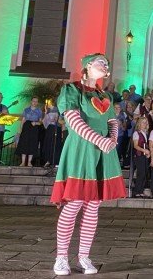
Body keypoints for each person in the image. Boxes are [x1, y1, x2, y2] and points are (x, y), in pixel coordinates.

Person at [50, 53, 126, 276]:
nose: (105, 64)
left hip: (102, 152)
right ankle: (61, 258)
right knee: (74, 203)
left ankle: (84, 255)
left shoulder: (106, 96)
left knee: (93, 205)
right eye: (100, 61)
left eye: (107, 63)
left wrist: (112, 139)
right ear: (87, 66)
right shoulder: (72, 90)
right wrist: (99, 140)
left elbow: (112, 121)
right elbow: (73, 119)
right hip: (82, 148)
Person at [16, 97, 44, 167]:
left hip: (34, 128)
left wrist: (36, 123)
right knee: (24, 144)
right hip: (26, 127)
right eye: (33, 101)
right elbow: (23, 121)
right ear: (31, 101)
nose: (35, 103)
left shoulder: (39, 111)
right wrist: (20, 130)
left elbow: (41, 122)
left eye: (36, 101)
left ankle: (29, 162)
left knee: (32, 144)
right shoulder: (26, 110)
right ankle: (22, 162)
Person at [131, 116, 151, 197]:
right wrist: (144, 151)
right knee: (140, 173)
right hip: (138, 156)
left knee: (144, 173)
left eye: (146, 122)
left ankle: (140, 190)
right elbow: (136, 146)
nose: (145, 124)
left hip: (144, 156)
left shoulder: (145, 133)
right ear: (139, 124)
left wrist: (147, 152)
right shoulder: (136, 133)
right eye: (143, 122)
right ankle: (136, 191)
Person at [42, 100, 64, 167]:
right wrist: (45, 113)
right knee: (49, 144)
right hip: (50, 129)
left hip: (56, 128)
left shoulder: (58, 109)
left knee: (56, 145)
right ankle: (48, 160)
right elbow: (44, 122)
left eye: (48, 102)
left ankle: (56, 161)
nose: (46, 103)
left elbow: (60, 120)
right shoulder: (47, 110)